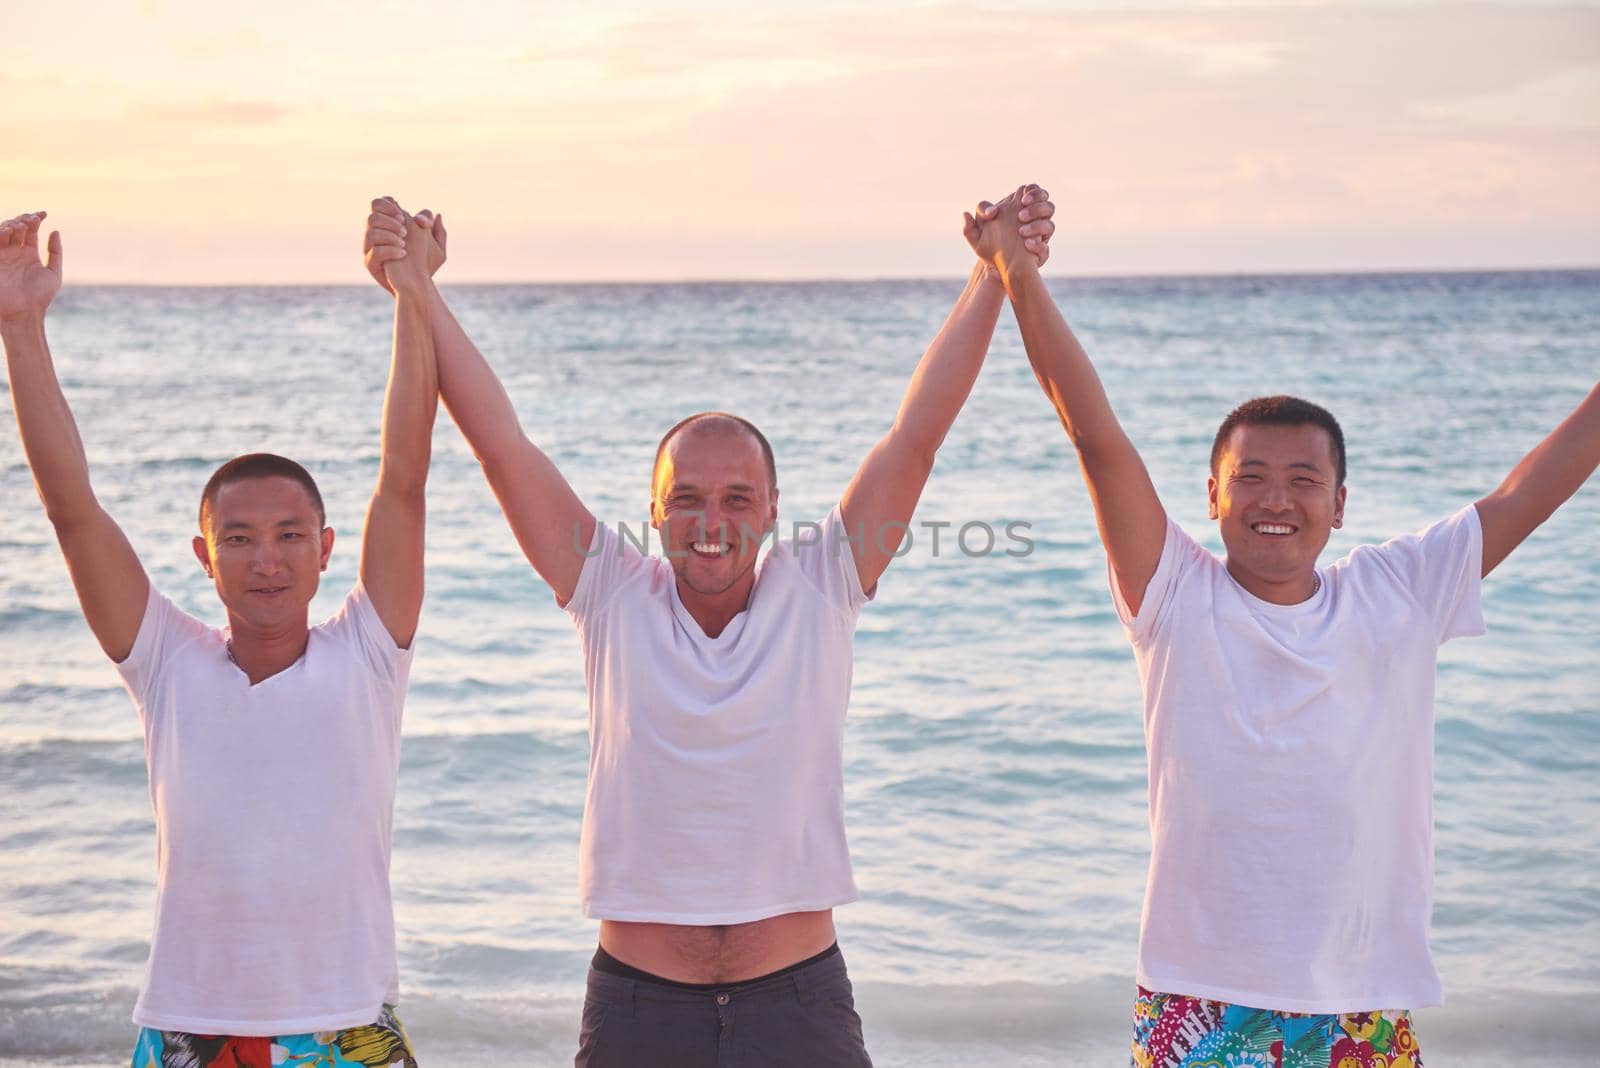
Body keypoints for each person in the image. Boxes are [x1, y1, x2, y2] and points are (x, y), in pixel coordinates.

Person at [361, 188, 1056, 1066]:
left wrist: (993, 274)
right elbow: (504, 446)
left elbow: (915, 434)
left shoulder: (823, 582)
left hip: (798, 1002)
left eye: (736, 499)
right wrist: (416, 290)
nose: (711, 521)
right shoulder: (609, 592)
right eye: (686, 499)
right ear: (653, 513)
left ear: (772, 511)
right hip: (639, 1006)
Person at [965, 195, 1600, 1066]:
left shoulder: (1397, 592)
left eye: (1304, 479)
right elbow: (1094, 433)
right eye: (1251, 476)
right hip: (1200, 1000)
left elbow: (1528, 492)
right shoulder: (1173, 593)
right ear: (1213, 496)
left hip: (1362, 1006)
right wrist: (1017, 276)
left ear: (1339, 506)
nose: (1275, 498)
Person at [0, 208, 443, 1067]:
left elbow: (404, 480)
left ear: (325, 551)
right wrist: (19, 327)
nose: (265, 561)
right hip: (190, 1027)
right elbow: (71, 509)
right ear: (205, 556)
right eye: (238, 538)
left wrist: (409, 294)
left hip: (346, 1023)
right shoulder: (166, 663)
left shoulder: (369, 656)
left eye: (288, 536)